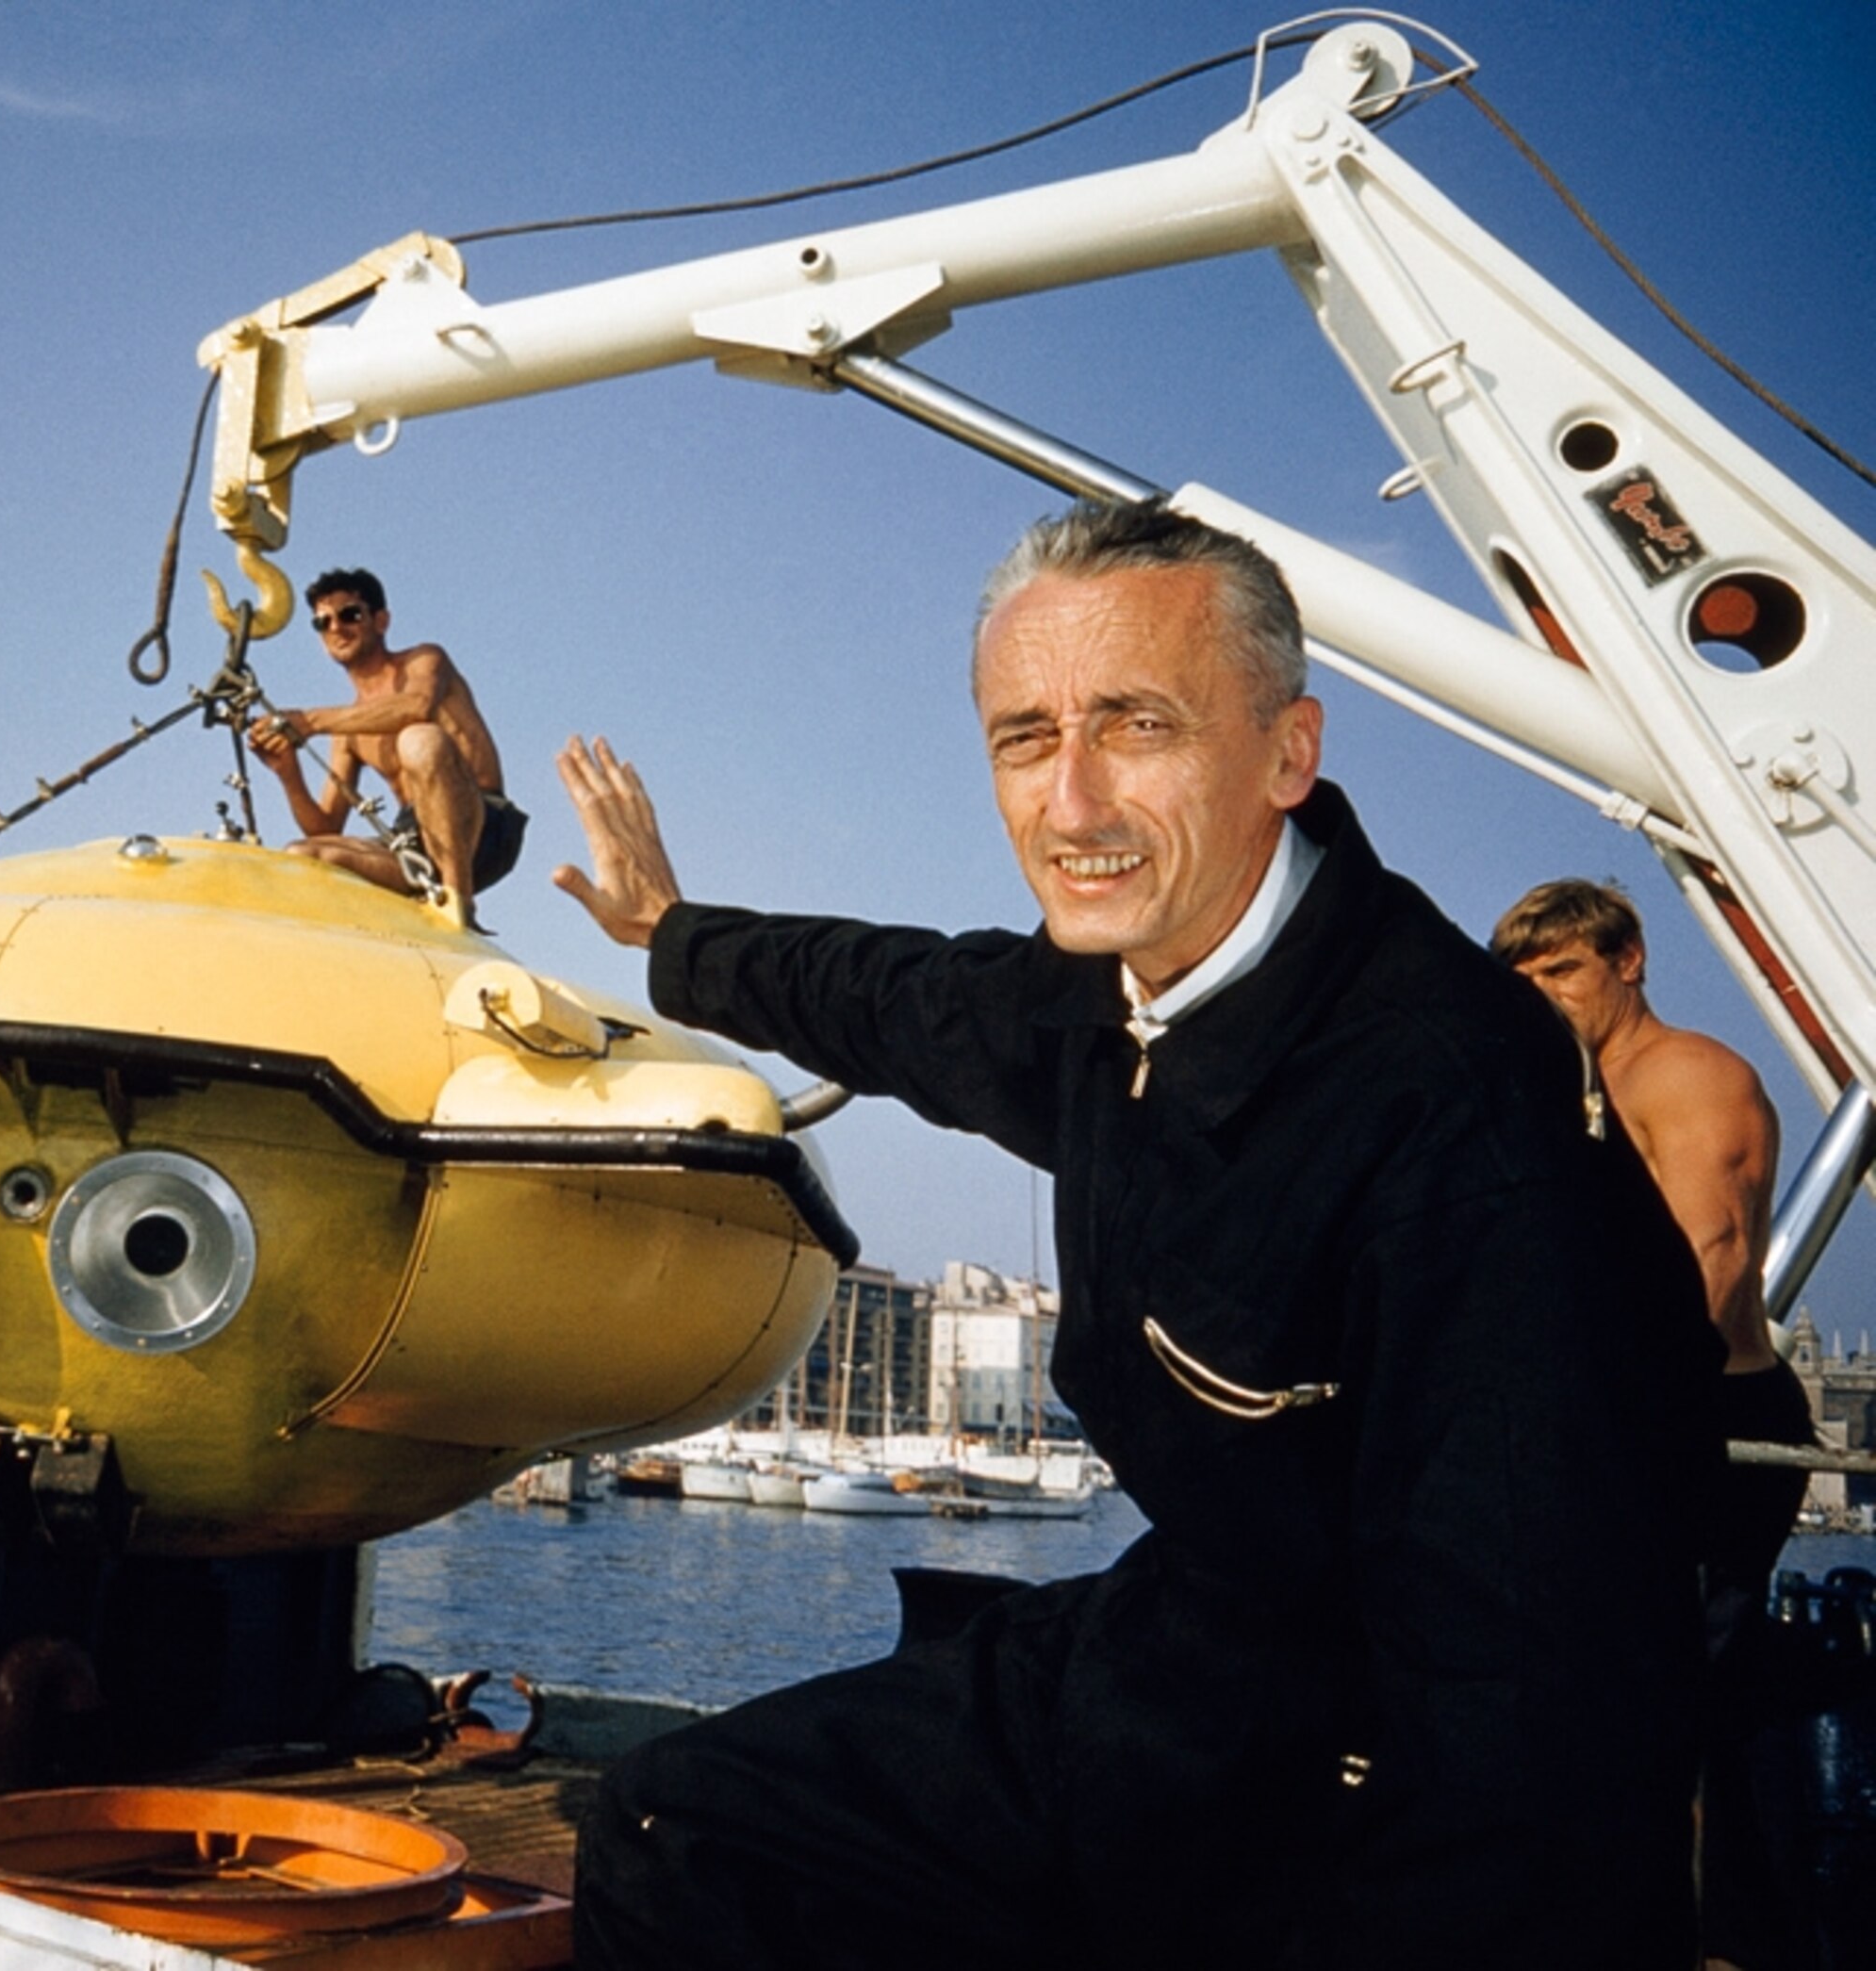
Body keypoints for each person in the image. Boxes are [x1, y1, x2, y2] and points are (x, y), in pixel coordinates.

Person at [551, 501, 1721, 1967]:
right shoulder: (1108, 997)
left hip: (1377, 1752)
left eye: (1138, 725)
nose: (1074, 803)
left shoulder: (1459, 1119)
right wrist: (671, 933)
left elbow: (1533, 1709)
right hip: (1185, 1646)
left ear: (1288, 752)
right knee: (681, 1827)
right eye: (1026, 738)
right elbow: (890, 993)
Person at [1491, 878, 1814, 1971]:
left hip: (1706, 1421)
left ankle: (1726, 1945)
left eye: (1564, 971)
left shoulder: (1685, 1073)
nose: (1544, 996)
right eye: (1525, 980)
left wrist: (1614, 1428)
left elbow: (1709, 1268)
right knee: (1637, 1696)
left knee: (1676, 1699)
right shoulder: (1582, 1088)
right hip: (1633, 1417)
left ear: (1627, 961)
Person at [245, 567, 526, 925]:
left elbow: (417, 706)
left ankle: (458, 903)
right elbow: (324, 827)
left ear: (380, 621)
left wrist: (310, 722)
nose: (336, 628)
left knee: (420, 740)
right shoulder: (348, 729)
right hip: (414, 843)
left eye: (349, 615)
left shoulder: (425, 661)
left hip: (482, 826)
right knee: (302, 854)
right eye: (323, 623)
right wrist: (288, 772)